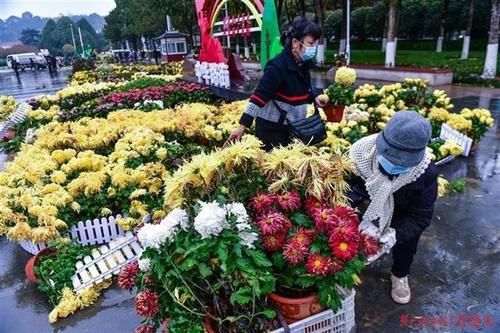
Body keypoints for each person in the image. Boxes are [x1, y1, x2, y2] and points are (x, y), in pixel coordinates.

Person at [348, 111, 438, 305]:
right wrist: (353, 211)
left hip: (402, 214)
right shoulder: (360, 153)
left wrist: (393, 235)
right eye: (390, 156)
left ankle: (400, 275)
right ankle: (346, 268)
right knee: (344, 239)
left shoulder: (425, 173)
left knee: (407, 244)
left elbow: (420, 216)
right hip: (365, 205)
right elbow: (345, 189)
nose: (394, 164)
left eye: (402, 162)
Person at [225, 17, 325, 151]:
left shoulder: (302, 64)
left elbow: (298, 90)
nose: (314, 48)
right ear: (295, 43)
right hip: (273, 131)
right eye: (311, 43)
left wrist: (314, 98)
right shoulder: (277, 67)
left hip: (294, 128)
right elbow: (259, 97)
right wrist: (243, 126)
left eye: (315, 44)